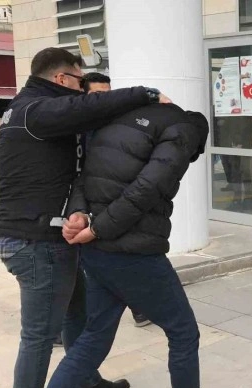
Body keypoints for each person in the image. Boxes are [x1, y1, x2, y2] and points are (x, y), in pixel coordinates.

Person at [0, 47, 169, 388]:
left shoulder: (28, 108)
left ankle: (88, 383)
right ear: (60, 78)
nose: (83, 89)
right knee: (39, 337)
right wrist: (147, 94)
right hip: (36, 242)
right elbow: (89, 107)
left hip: (46, 237)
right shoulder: (37, 110)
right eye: (79, 81)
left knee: (77, 314)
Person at [41, 103, 232, 388]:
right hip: (134, 254)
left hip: (97, 254)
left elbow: (84, 177)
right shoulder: (184, 130)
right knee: (183, 331)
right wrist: (98, 228)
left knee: (93, 338)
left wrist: (79, 214)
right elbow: (146, 190)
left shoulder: (120, 121)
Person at [81, 72, 153, 328]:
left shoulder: (119, 123)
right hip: (79, 201)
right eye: (97, 95)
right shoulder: (75, 126)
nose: (104, 101)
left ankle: (139, 308)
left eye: (107, 95)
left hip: (111, 200)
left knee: (119, 254)